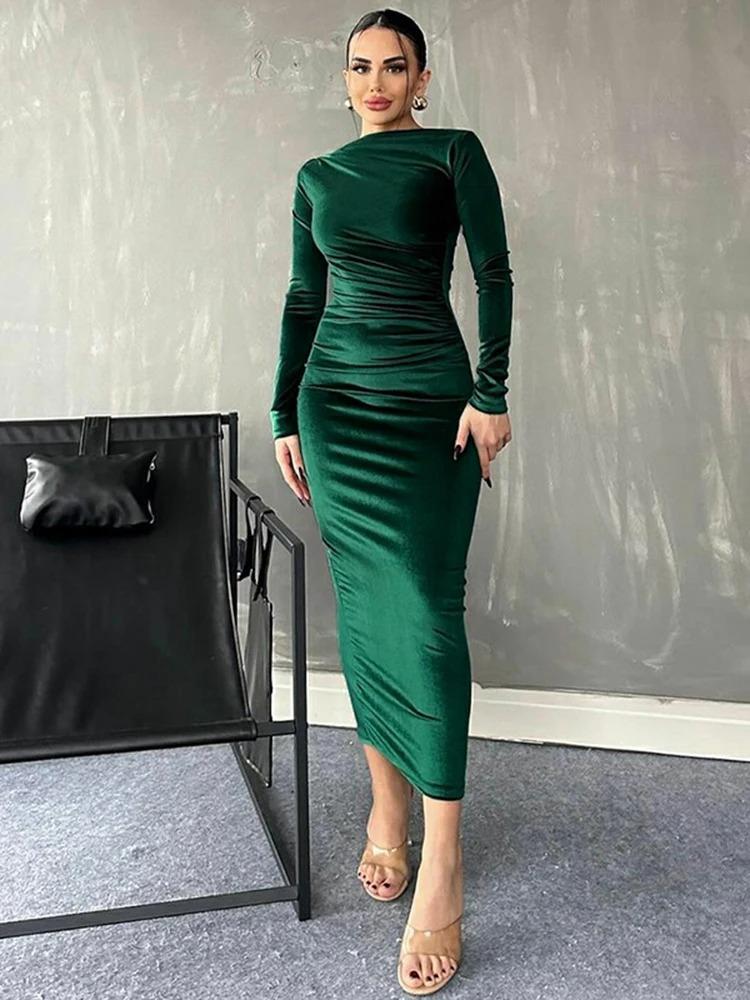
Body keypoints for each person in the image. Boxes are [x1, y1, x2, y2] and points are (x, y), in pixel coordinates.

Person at [269, 8, 513, 995]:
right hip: (334, 403)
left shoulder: (453, 153)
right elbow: (304, 298)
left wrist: (491, 390)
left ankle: (443, 858)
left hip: (428, 403)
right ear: (345, 80)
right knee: (368, 614)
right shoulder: (316, 177)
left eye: (394, 66)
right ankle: (388, 812)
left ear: (422, 77)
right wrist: (283, 410)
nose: (375, 81)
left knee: (425, 614)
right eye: (360, 67)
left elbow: (492, 271)